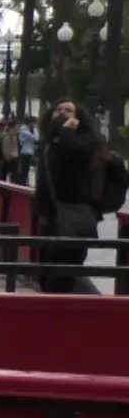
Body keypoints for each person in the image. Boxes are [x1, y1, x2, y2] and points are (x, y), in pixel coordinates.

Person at [34, 100, 129, 293]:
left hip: (73, 219)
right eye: (58, 109)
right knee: (47, 271)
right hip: (52, 218)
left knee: (65, 273)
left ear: (79, 118)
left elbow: (76, 153)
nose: (62, 113)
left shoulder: (86, 142)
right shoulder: (50, 142)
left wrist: (68, 130)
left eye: (69, 110)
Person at [16, 117, 37, 185]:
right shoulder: (23, 130)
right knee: (23, 170)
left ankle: (25, 182)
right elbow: (35, 137)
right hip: (25, 152)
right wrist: (35, 129)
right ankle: (22, 183)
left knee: (26, 169)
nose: (34, 125)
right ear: (29, 123)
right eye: (33, 123)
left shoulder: (29, 130)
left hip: (29, 152)